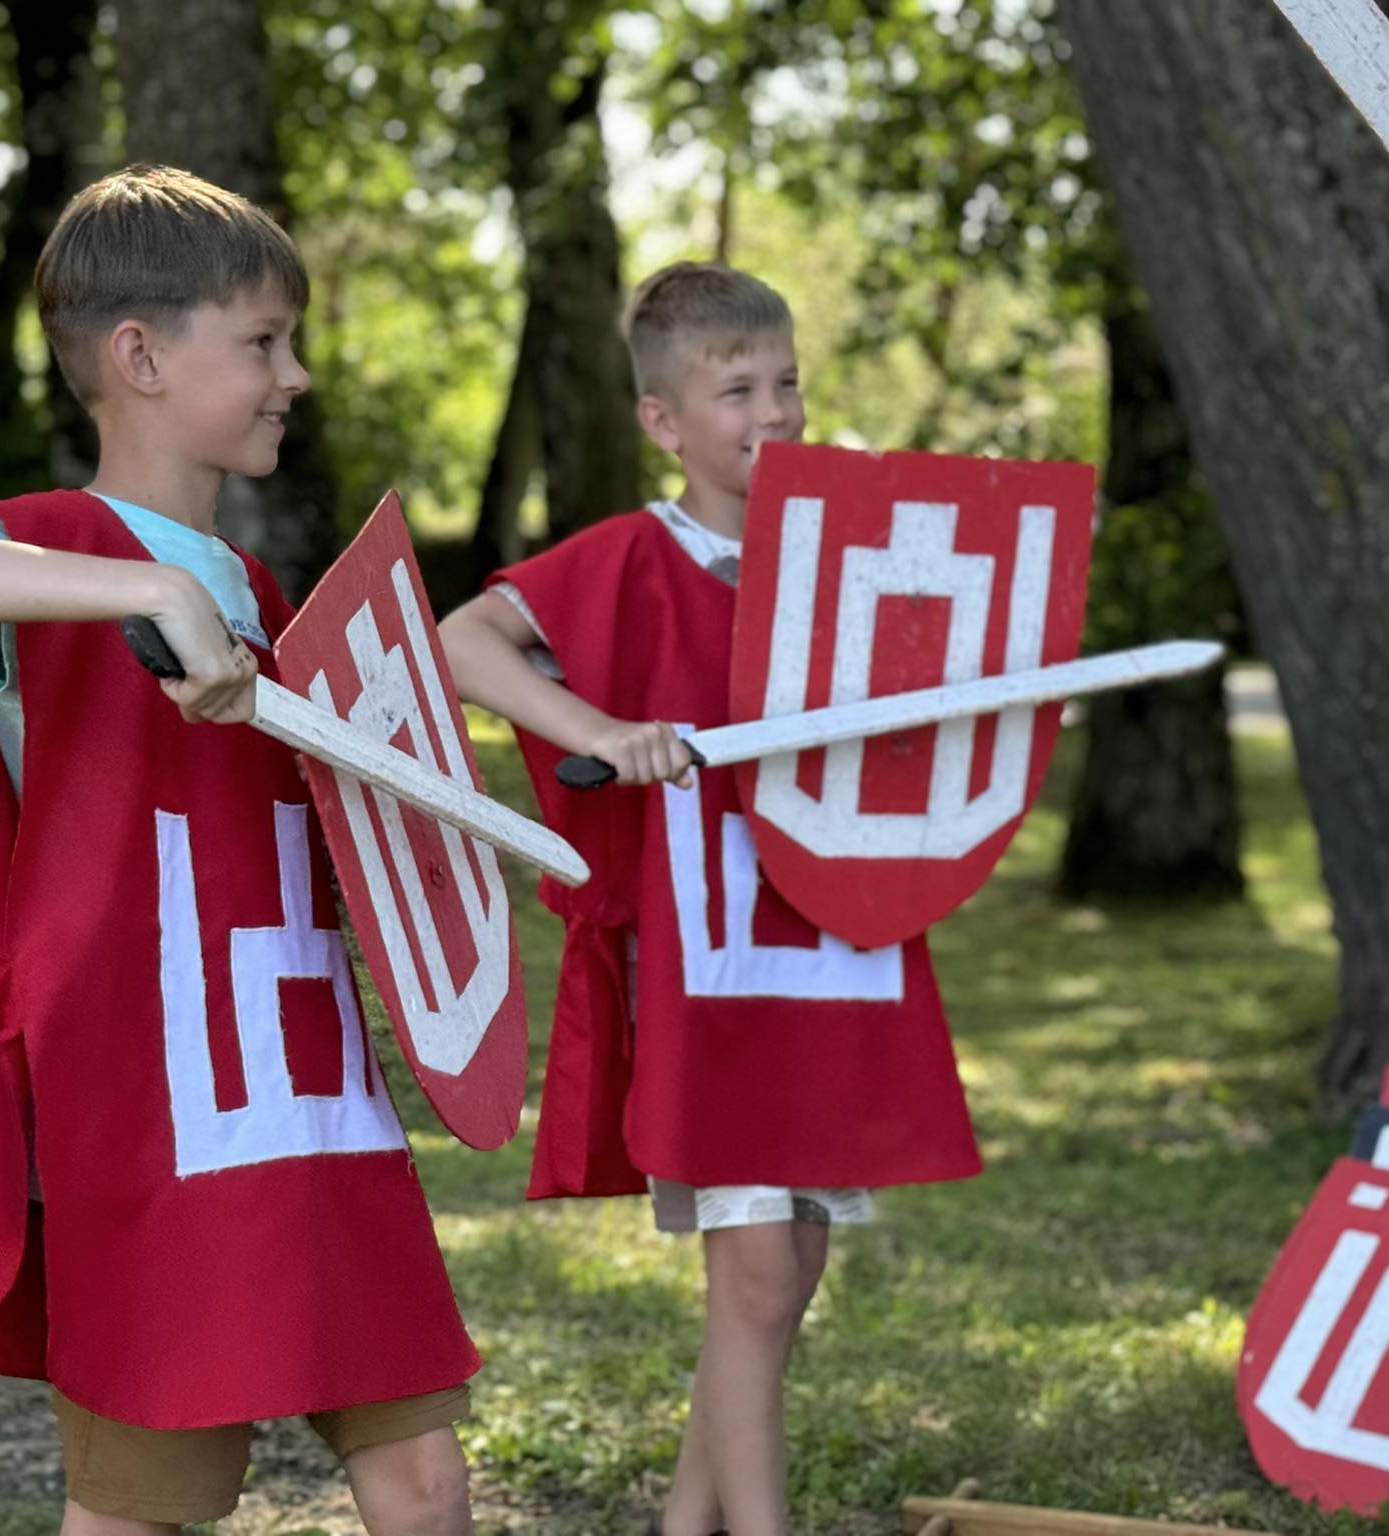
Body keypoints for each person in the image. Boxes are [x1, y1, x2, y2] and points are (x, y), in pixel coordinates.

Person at [0, 164, 479, 1536]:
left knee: (421, 1471)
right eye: (265, 341)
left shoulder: (266, 595)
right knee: (143, 1510)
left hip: (310, 1087)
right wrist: (140, 586)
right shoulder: (50, 554)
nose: (298, 376)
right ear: (141, 356)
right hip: (150, 1111)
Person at [438, 262, 982, 1536]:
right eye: (736, 389)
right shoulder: (630, 556)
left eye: (786, 382)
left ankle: (684, 1523)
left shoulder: (836, 556)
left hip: (829, 947)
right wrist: (601, 725)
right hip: (706, 966)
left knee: (788, 1268)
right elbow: (461, 639)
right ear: (665, 422)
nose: (775, 412)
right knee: (750, 1274)